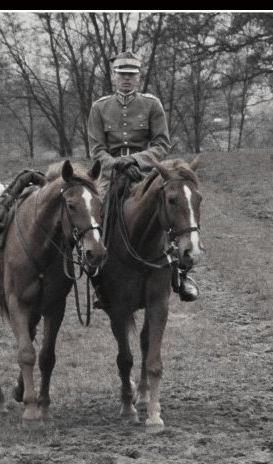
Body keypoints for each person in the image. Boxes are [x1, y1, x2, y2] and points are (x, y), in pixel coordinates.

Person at [87, 51, 199, 306]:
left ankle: (181, 275)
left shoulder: (152, 105)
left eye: (131, 75)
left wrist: (137, 161)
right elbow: (96, 150)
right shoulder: (100, 107)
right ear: (114, 76)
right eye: (122, 74)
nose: (126, 79)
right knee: (95, 217)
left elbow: (161, 145)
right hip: (111, 176)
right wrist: (118, 164)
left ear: (138, 77)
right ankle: (98, 281)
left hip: (145, 173)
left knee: (173, 209)